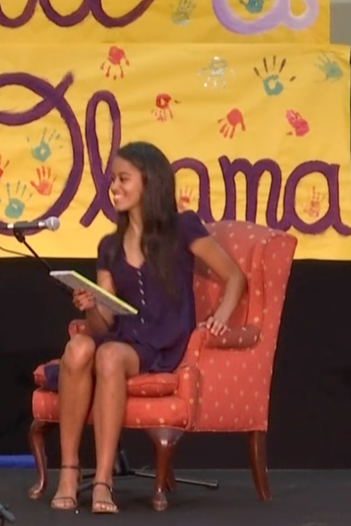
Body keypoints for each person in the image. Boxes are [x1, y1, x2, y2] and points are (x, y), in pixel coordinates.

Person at [42, 141, 245, 514]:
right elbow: (102, 323)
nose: (114, 188)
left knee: (108, 356)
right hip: (122, 338)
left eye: (123, 179)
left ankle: (103, 480)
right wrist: (91, 304)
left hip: (161, 341)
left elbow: (234, 276)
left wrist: (221, 316)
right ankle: (69, 471)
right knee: (78, 348)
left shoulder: (182, 228)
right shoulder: (109, 246)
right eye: (113, 181)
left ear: (149, 183)